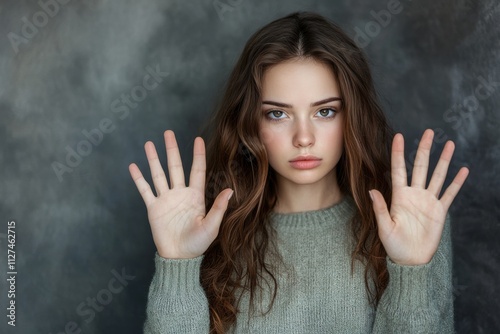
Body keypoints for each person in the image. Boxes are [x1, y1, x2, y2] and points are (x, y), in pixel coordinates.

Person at [128, 11, 469, 334]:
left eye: (325, 111)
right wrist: (178, 264)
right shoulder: (206, 228)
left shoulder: (410, 221)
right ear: (250, 123)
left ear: (353, 115)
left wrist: (411, 275)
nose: (303, 138)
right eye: (278, 114)